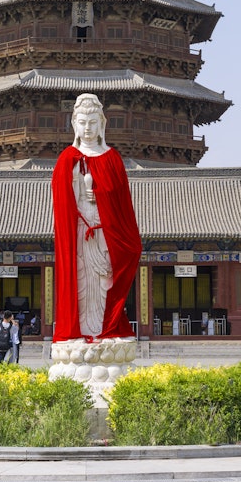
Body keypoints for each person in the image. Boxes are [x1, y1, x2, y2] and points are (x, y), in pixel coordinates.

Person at [51, 93, 142, 341]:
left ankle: (104, 328)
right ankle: (80, 329)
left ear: (102, 124)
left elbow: (122, 206)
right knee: (81, 281)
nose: (88, 128)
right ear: (74, 124)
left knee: (104, 282)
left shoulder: (112, 159)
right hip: (79, 231)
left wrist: (100, 196)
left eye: (93, 122)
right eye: (82, 122)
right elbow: (62, 202)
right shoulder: (66, 160)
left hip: (104, 232)